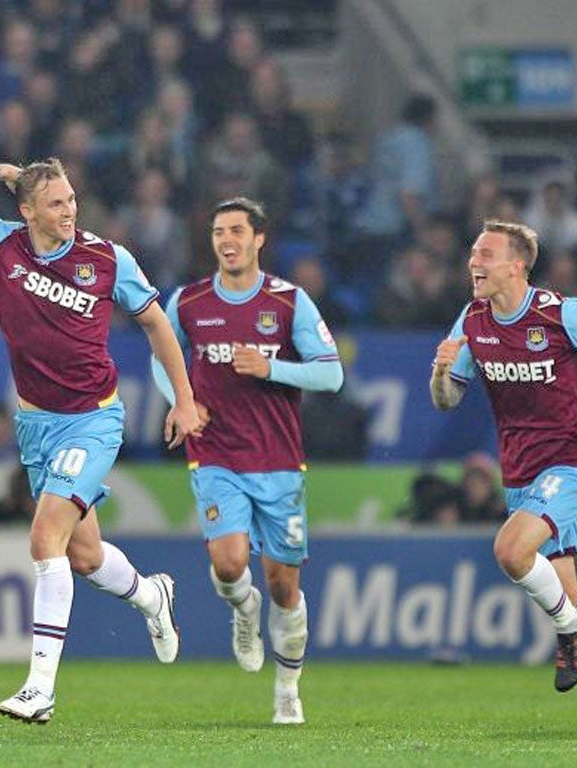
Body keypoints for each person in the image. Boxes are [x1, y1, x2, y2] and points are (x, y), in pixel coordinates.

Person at [0, 159, 200, 724]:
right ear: (26, 211)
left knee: (45, 536)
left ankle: (39, 688)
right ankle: (151, 596)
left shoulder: (107, 258)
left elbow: (156, 324)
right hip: (36, 425)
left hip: (92, 420)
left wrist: (185, 398)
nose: (69, 211)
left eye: (72, 200)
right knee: (84, 554)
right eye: (55, 203)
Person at [151, 197, 344, 725]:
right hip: (214, 453)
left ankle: (288, 689)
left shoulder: (288, 302)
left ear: (260, 238)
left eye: (237, 230)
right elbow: (159, 357)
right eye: (218, 231)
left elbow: (331, 374)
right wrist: (182, 401)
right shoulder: (188, 302)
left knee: (284, 583)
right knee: (230, 562)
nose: (227, 240)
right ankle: (243, 610)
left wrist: (272, 366)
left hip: (278, 459)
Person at [431, 220, 577, 730]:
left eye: (485, 254)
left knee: (510, 550)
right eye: (472, 253)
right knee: (567, 594)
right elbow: (446, 401)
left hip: (573, 459)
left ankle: (568, 632)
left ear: (516, 265)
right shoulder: (472, 319)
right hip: (520, 470)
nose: (473, 263)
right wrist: (442, 371)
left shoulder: (564, 315)